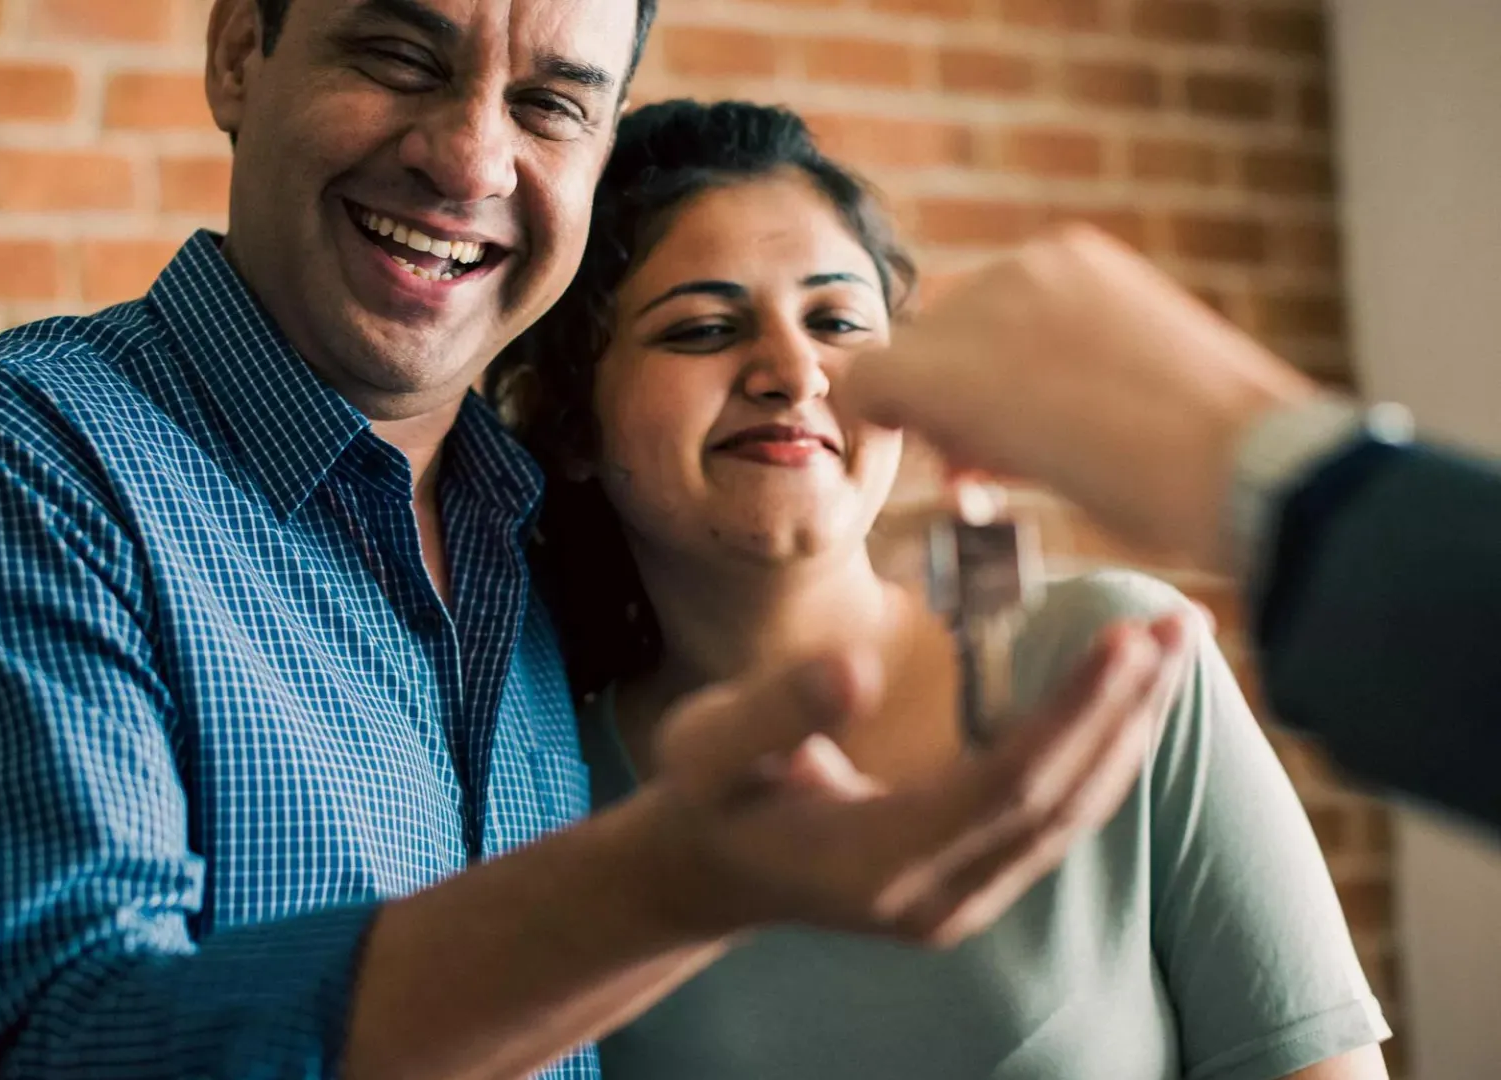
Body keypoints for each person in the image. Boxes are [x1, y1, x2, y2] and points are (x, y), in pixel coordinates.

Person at [0, 1, 1194, 1077]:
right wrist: (672, 882)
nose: (468, 156)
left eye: (553, 103)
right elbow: (71, 1047)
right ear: (234, 55)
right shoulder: (15, 463)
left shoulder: (538, 547)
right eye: (400, 56)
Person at [491, 99, 1390, 1080]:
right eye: (704, 328)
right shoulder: (544, 785)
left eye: (837, 321)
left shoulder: (1118, 657)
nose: (796, 372)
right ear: (571, 421)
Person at [838, 223, 1501, 833]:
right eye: (725, 326)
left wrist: (1260, 461)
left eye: (833, 321)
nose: (792, 374)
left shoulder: (1120, 641)